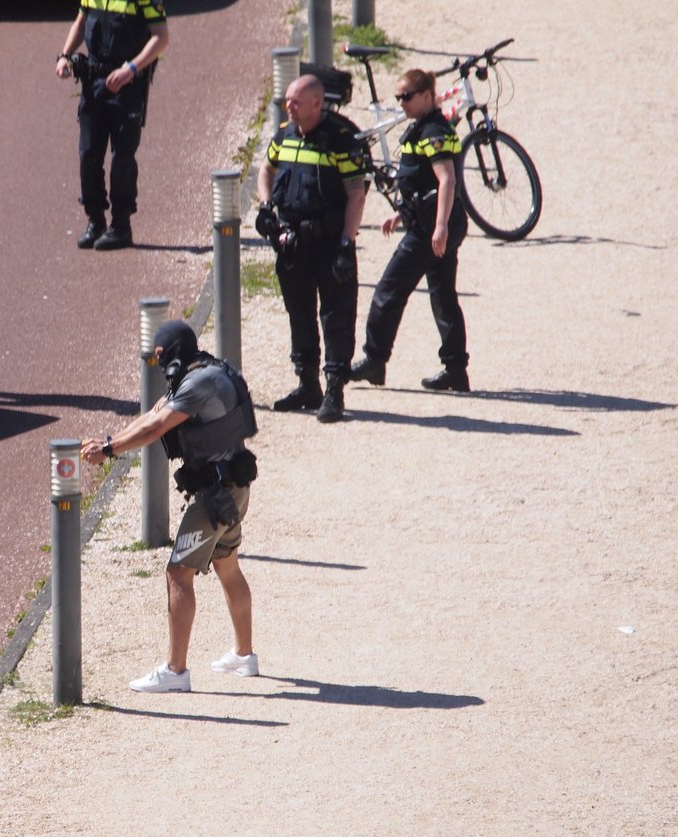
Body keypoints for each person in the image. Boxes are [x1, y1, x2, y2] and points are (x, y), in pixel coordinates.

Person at [80, 321, 259, 692]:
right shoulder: (205, 370)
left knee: (178, 573)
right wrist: (109, 441)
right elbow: (152, 415)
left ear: (174, 352)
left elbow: (156, 427)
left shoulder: (196, 384)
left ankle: (175, 672)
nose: (160, 365)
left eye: (161, 356)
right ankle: (244, 657)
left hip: (216, 494)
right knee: (227, 564)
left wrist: (109, 450)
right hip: (235, 485)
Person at [256, 74, 368, 423]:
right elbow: (266, 170)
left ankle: (334, 389)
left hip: (330, 242)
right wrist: (265, 207)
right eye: (287, 100)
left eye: (295, 101)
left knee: (336, 316)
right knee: (299, 313)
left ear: (317, 103)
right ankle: (307, 384)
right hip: (292, 244)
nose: (288, 106)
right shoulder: (285, 135)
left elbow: (356, 194)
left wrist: (347, 243)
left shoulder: (341, 139)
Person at [350, 68, 470, 392]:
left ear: (427, 96)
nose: (401, 102)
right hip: (431, 222)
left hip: (431, 228)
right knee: (443, 296)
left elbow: (447, 180)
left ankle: (374, 359)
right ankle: (456, 370)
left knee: (388, 291)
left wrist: (440, 227)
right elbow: (422, 184)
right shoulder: (424, 127)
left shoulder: (434, 131)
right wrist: (401, 214)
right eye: (398, 97)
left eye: (407, 96)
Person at [54, 0, 169, 251]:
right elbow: (81, 21)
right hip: (93, 82)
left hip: (127, 86)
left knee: (122, 158)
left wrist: (131, 69)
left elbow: (161, 37)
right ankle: (95, 221)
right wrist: (65, 56)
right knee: (89, 154)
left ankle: (121, 226)